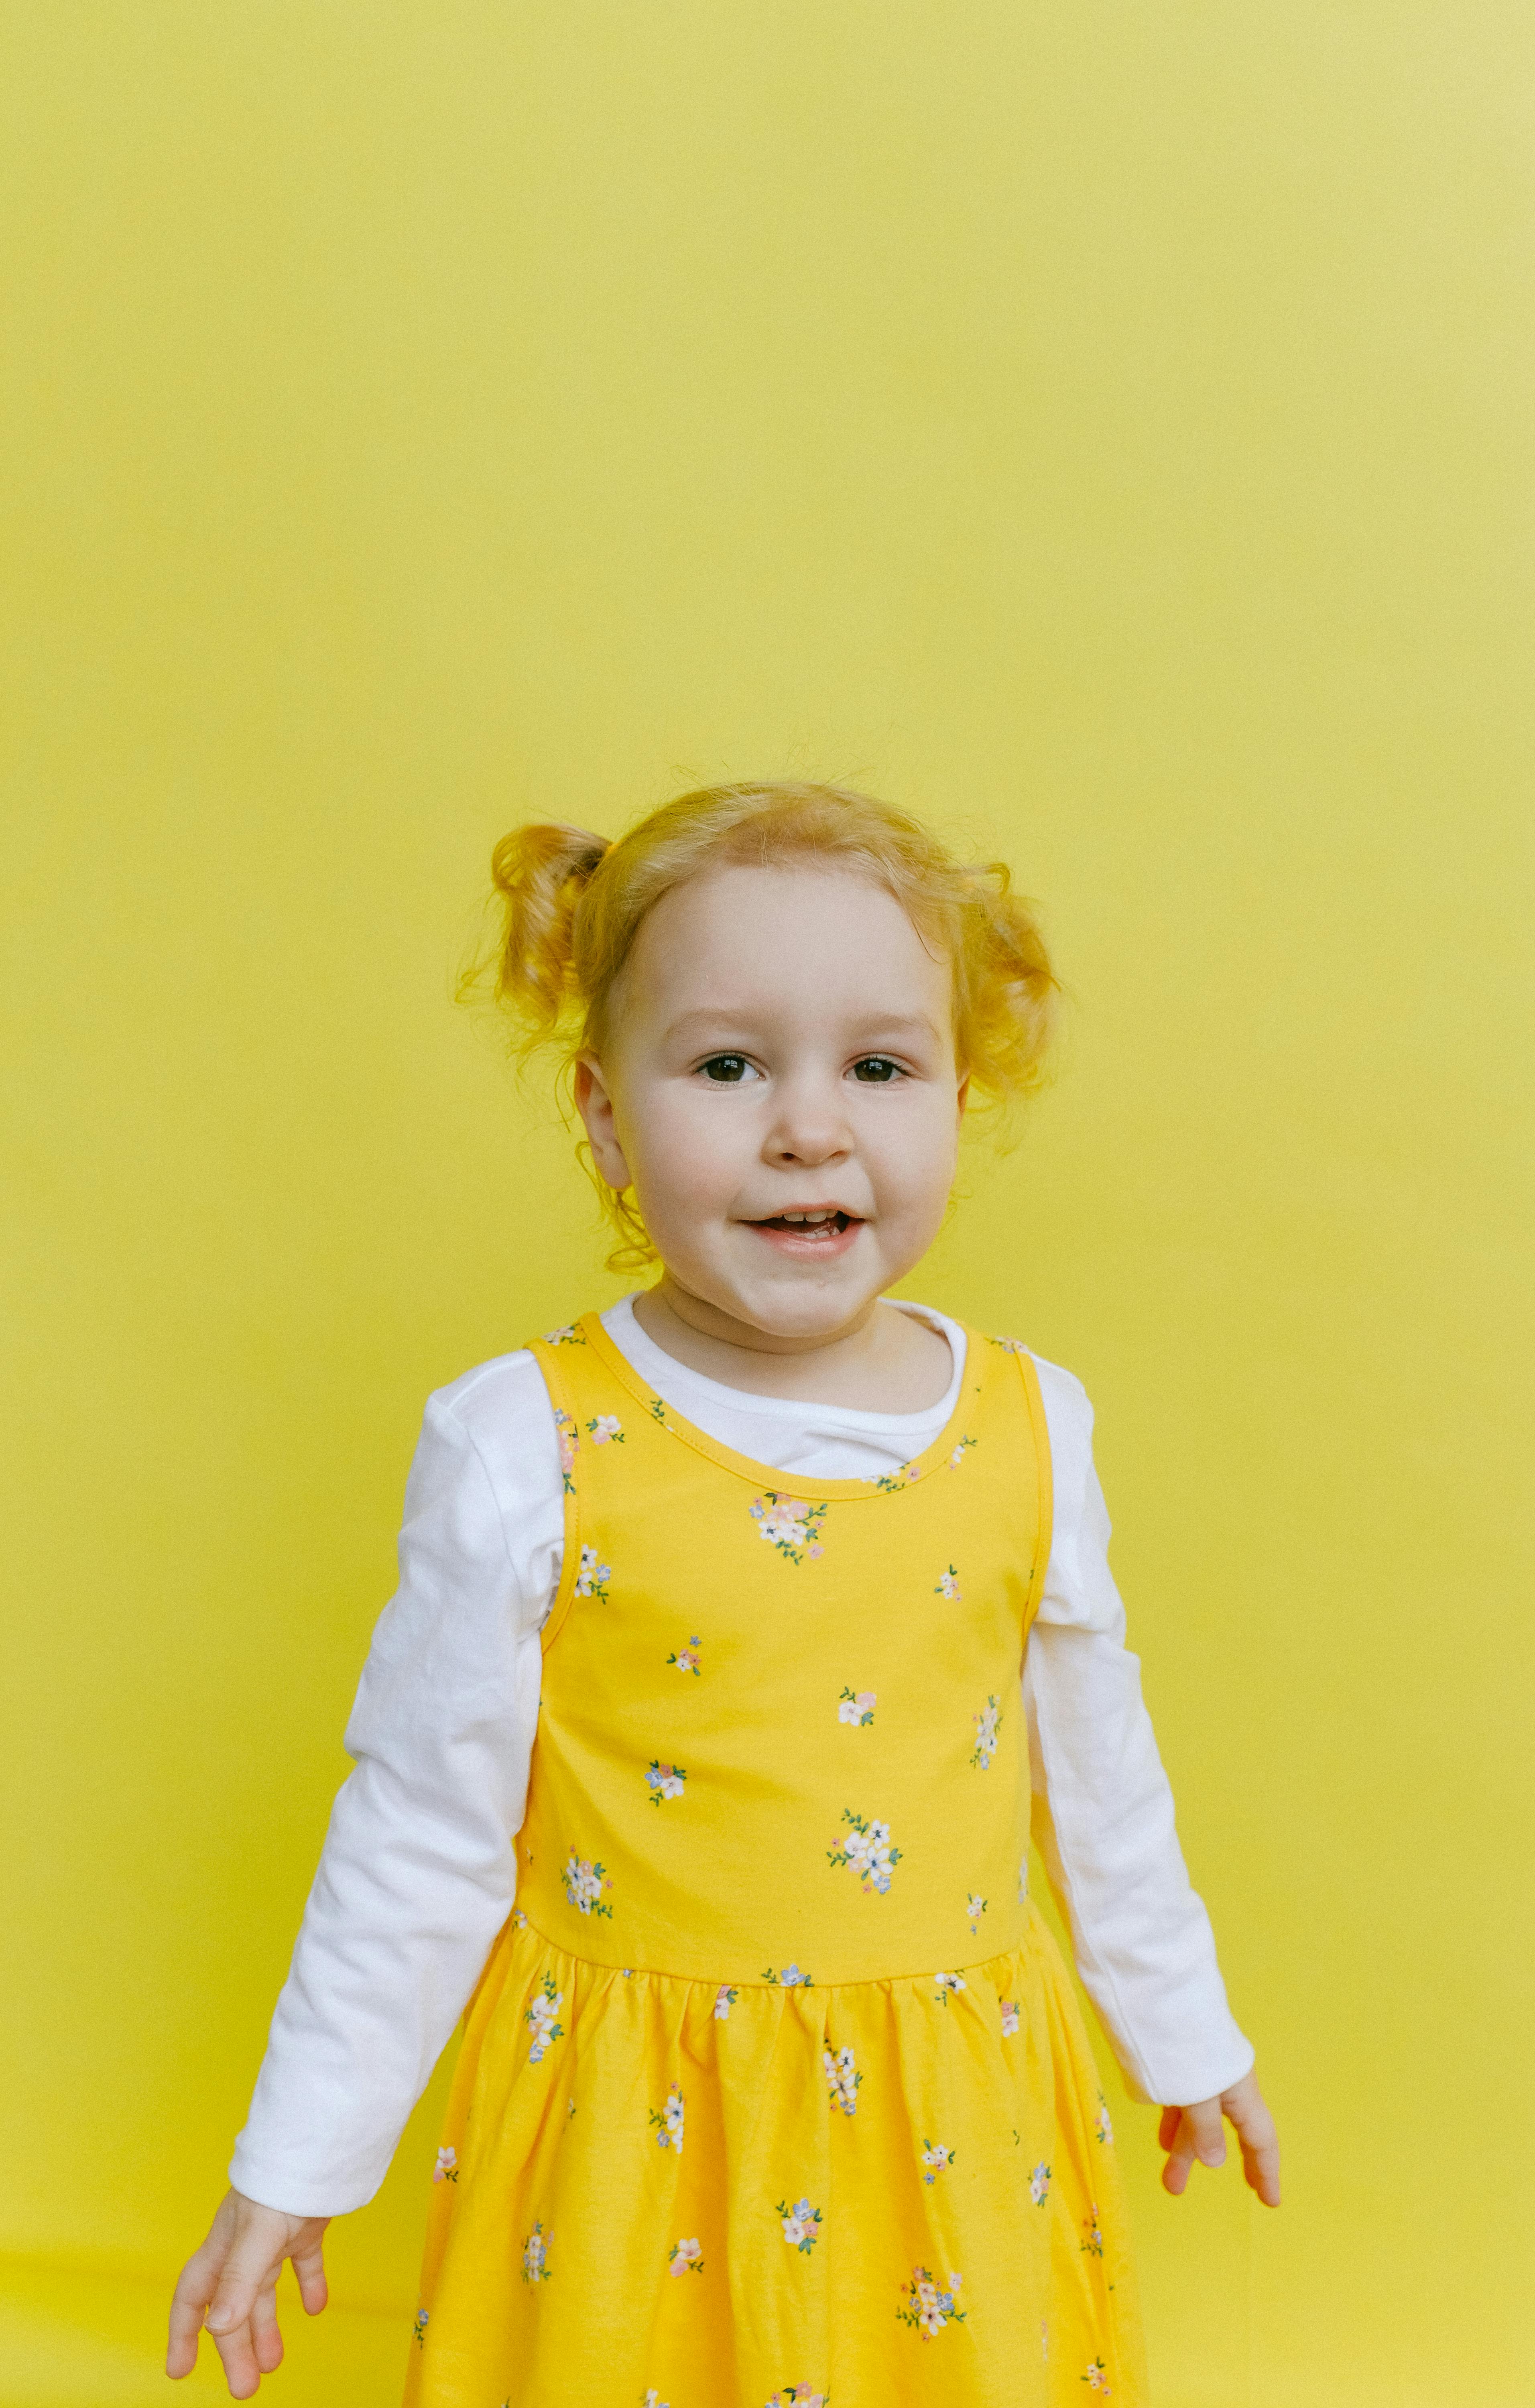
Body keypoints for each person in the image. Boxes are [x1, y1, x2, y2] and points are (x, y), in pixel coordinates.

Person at [167, 781, 1279, 2405]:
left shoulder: (1034, 1424)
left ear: (962, 1102)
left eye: (879, 1068)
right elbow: (417, 1832)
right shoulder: (521, 1441)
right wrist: (298, 2164)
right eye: (726, 1066)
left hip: (942, 2123)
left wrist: (1183, 2041)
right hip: (640, 2138)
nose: (808, 1127)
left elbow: (1093, 1773)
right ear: (606, 1113)